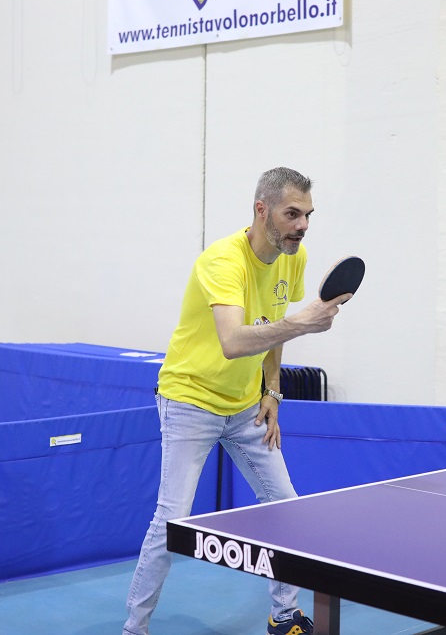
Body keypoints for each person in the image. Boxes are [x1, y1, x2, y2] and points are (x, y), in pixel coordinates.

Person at [123, 167, 351, 635]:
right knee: (172, 519)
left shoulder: (294, 257)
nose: (303, 225)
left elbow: (273, 323)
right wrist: (303, 323)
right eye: (292, 214)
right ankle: (135, 628)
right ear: (261, 210)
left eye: (308, 215)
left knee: (285, 506)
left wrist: (273, 390)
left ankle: (283, 615)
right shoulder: (222, 261)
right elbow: (233, 341)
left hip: (247, 406)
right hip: (190, 401)